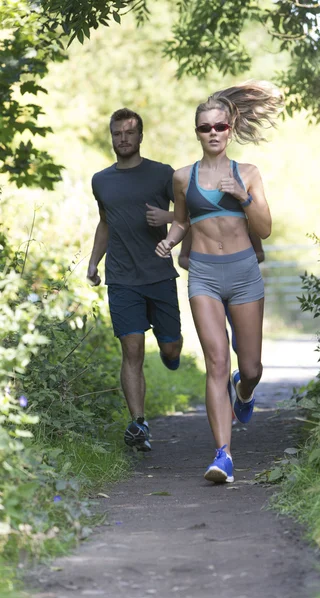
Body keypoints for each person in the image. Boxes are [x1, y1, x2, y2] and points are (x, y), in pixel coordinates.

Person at [156, 80, 283, 483]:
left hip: (245, 274)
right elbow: (181, 219)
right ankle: (223, 456)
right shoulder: (182, 177)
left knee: (251, 368)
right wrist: (169, 241)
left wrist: (243, 196)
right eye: (204, 128)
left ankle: (243, 392)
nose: (212, 133)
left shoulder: (247, 172)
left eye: (219, 127)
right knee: (216, 361)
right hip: (205, 276)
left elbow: (263, 229)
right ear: (197, 132)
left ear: (231, 128)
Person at [87, 108, 183, 452]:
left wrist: (168, 216)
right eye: (117, 133)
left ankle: (172, 355)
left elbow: (190, 214)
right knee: (132, 349)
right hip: (122, 277)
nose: (123, 139)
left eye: (129, 133)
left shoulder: (162, 174)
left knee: (170, 347)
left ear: (140, 136)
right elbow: (105, 222)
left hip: (159, 274)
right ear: (111, 136)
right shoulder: (101, 180)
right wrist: (94, 263)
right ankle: (139, 424)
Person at [178, 227, 265, 354]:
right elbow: (182, 258)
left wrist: (238, 264)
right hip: (208, 287)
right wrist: (205, 269)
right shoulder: (196, 222)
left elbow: (260, 254)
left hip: (240, 286)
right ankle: (224, 373)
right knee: (218, 346)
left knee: (240, 344)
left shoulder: (244, 221)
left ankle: (241, 373)